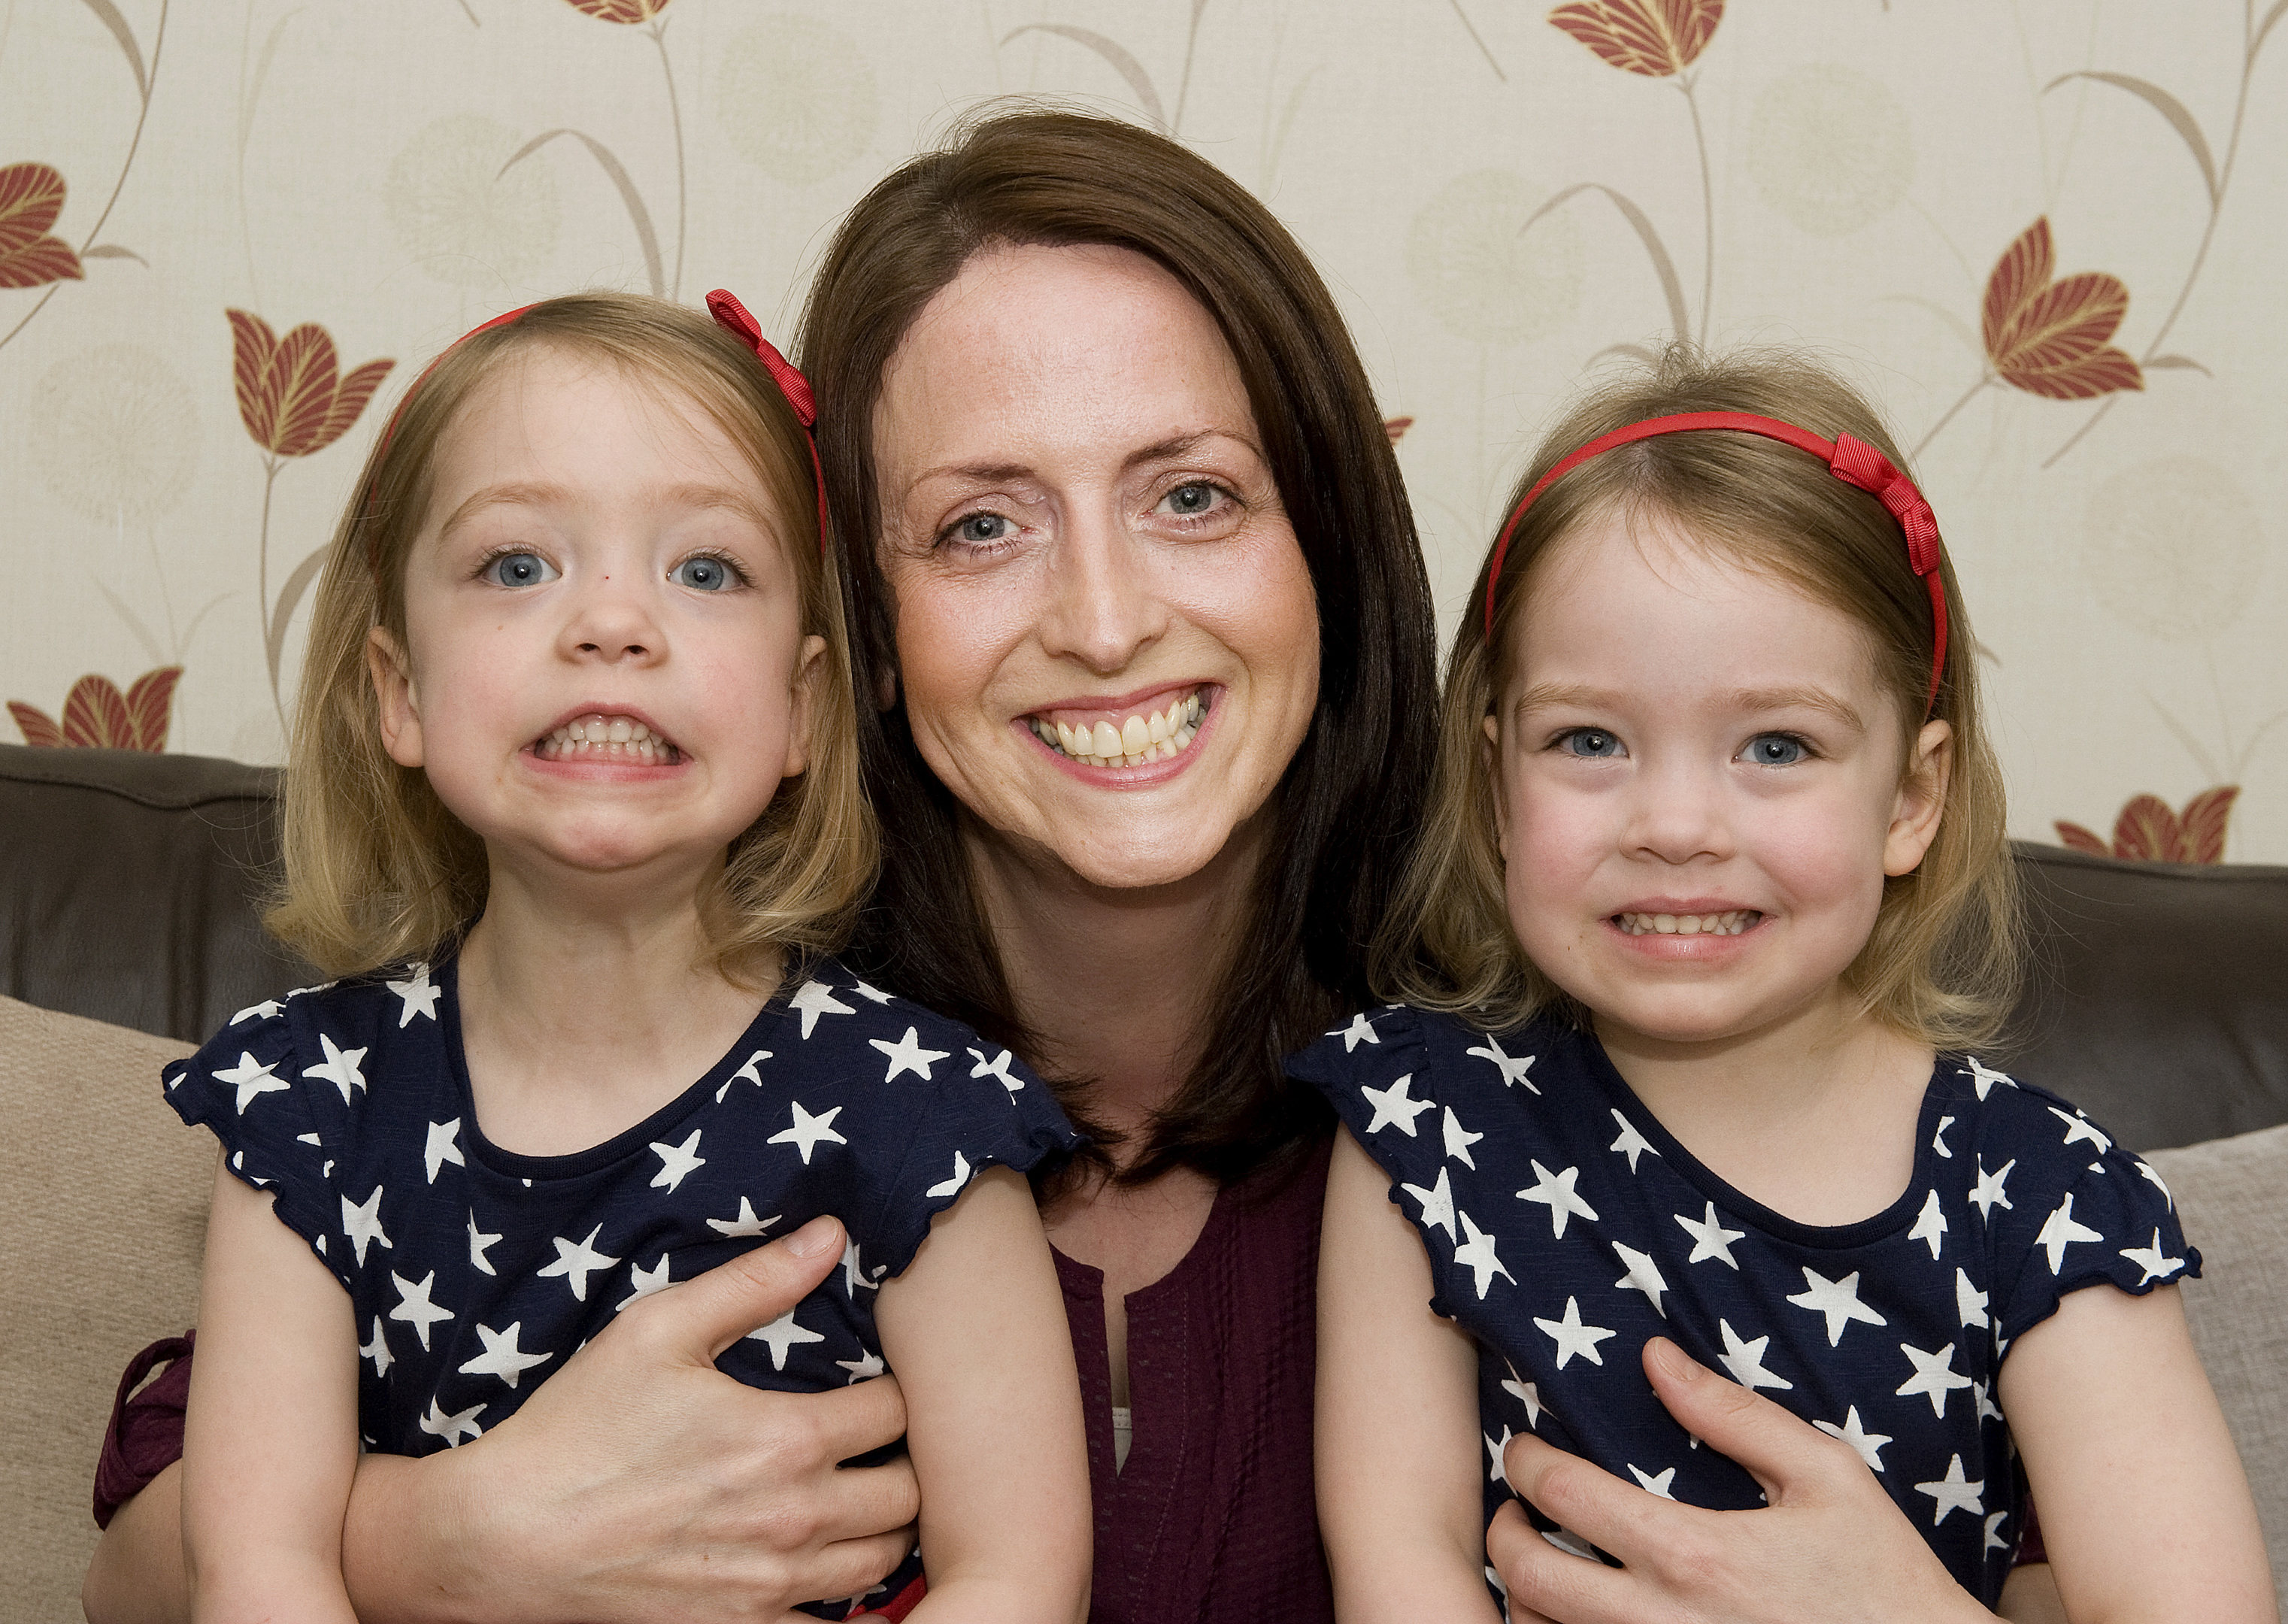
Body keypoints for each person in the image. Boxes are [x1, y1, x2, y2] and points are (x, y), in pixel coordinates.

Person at [88, 114, 2089, 1624]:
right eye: (977, 528)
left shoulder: (1541, 1119)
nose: (1109, 618)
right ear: (837, 642)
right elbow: (142, 1548)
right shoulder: (681, 1062)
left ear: (1326, 549)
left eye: (1193, 497)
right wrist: (442, 1540)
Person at [1295, 347, 2275, 1620]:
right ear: (1494, 785)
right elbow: (1401, 1565)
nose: (1678, 822)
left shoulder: (2043, 1203)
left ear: (1911, 799)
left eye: (1777, 744)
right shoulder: (1425, 1125)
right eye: (1589, 739)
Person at [157, 289, 1090, 1624]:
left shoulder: (920, 1113)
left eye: (704, 571)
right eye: (518, 566)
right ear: (399, 692)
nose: (611, 623)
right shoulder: (307, 1113)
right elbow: (253, 1572)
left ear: (802, 710)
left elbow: (1018, 1580)